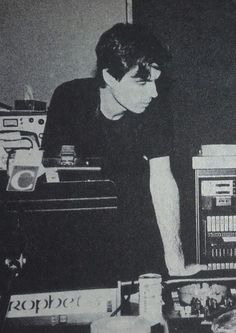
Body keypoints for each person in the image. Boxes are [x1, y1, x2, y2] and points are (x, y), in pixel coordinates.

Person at [42, 23, 205, 279]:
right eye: (142, 82)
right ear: (109, 77)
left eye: (156, 81)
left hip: (133, 229)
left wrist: (175, 261)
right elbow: (53, 180)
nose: (153, 92)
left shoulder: (156, 108)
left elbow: (162, 181)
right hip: (76, 231)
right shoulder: (69, 98)